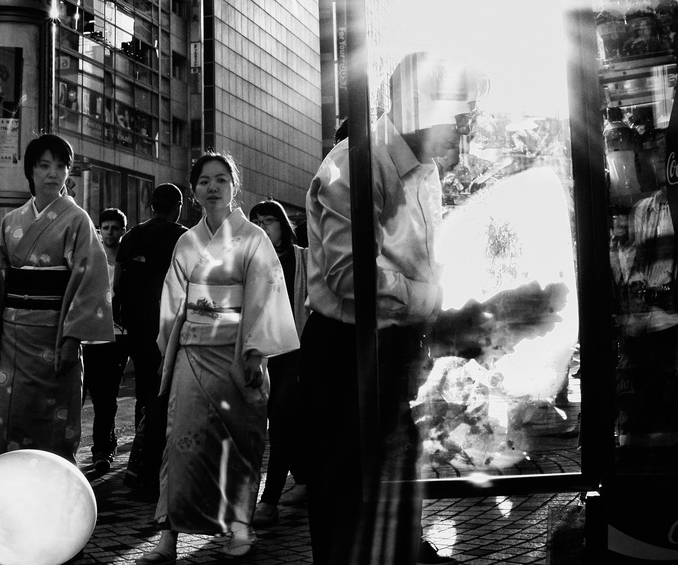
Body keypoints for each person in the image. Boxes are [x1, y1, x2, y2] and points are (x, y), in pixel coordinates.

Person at [302, 52, 489, 565]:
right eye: (458, 117)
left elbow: (418, 261)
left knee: (399, 482)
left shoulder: (424, 169)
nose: (464, 132)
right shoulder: (355, 164)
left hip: (394, 350)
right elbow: (349, 274)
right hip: (348, 356)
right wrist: (430, 301)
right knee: (348, 497)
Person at [137, 152, 300, 564]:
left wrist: (256, 352)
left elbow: (265, 295)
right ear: (194, 191)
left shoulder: (254, 238)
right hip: (193, 352)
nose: (213, 187)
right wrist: (169, 348)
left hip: (236, 352)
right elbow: (174, 299)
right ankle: (169, 537)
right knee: (181, 444)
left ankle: (240, 528)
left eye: (221, 179)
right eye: (205, 181)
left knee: (239, 444)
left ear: (234, 187)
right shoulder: (187, 241)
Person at [0, 134, 114, 470]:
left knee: (53, 423)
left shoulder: (78, 220)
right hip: (11, 339)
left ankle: (52, 486)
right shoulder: (11, 222)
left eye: (61, 166)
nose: (53, 173)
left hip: (55, 338)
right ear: (30, 171)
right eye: (44, 165)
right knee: (3, 420)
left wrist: (72, 338)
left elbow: (91, 281)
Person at [117, 183, 187, 493]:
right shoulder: (183, 237)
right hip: (170, 327)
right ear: (178, 207)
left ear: (152, 206)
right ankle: (162, 463)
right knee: (168, 391)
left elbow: (118, 284)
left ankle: (140, 459)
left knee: (144, 391)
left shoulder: (132, 235)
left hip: (138, 327)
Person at [249, 200, 309, 528]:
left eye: (269, 221)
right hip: (260, 352)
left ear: (283, 225)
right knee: (279, 421)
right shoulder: (249, 260)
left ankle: (269, 500)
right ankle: (304, 478)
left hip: (294, 353)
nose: (262, 227)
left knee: (282, 421)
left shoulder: (302, 258)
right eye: (256, 221)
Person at [83, 207, 129, 472]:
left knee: (106, 397)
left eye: (115, 228)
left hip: (116, 337)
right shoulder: (91, 257)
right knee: (81, 395)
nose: (110, 232)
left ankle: (103, 449)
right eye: (106, 228)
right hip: (88, 336)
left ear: (123, 230)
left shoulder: (127, 261)